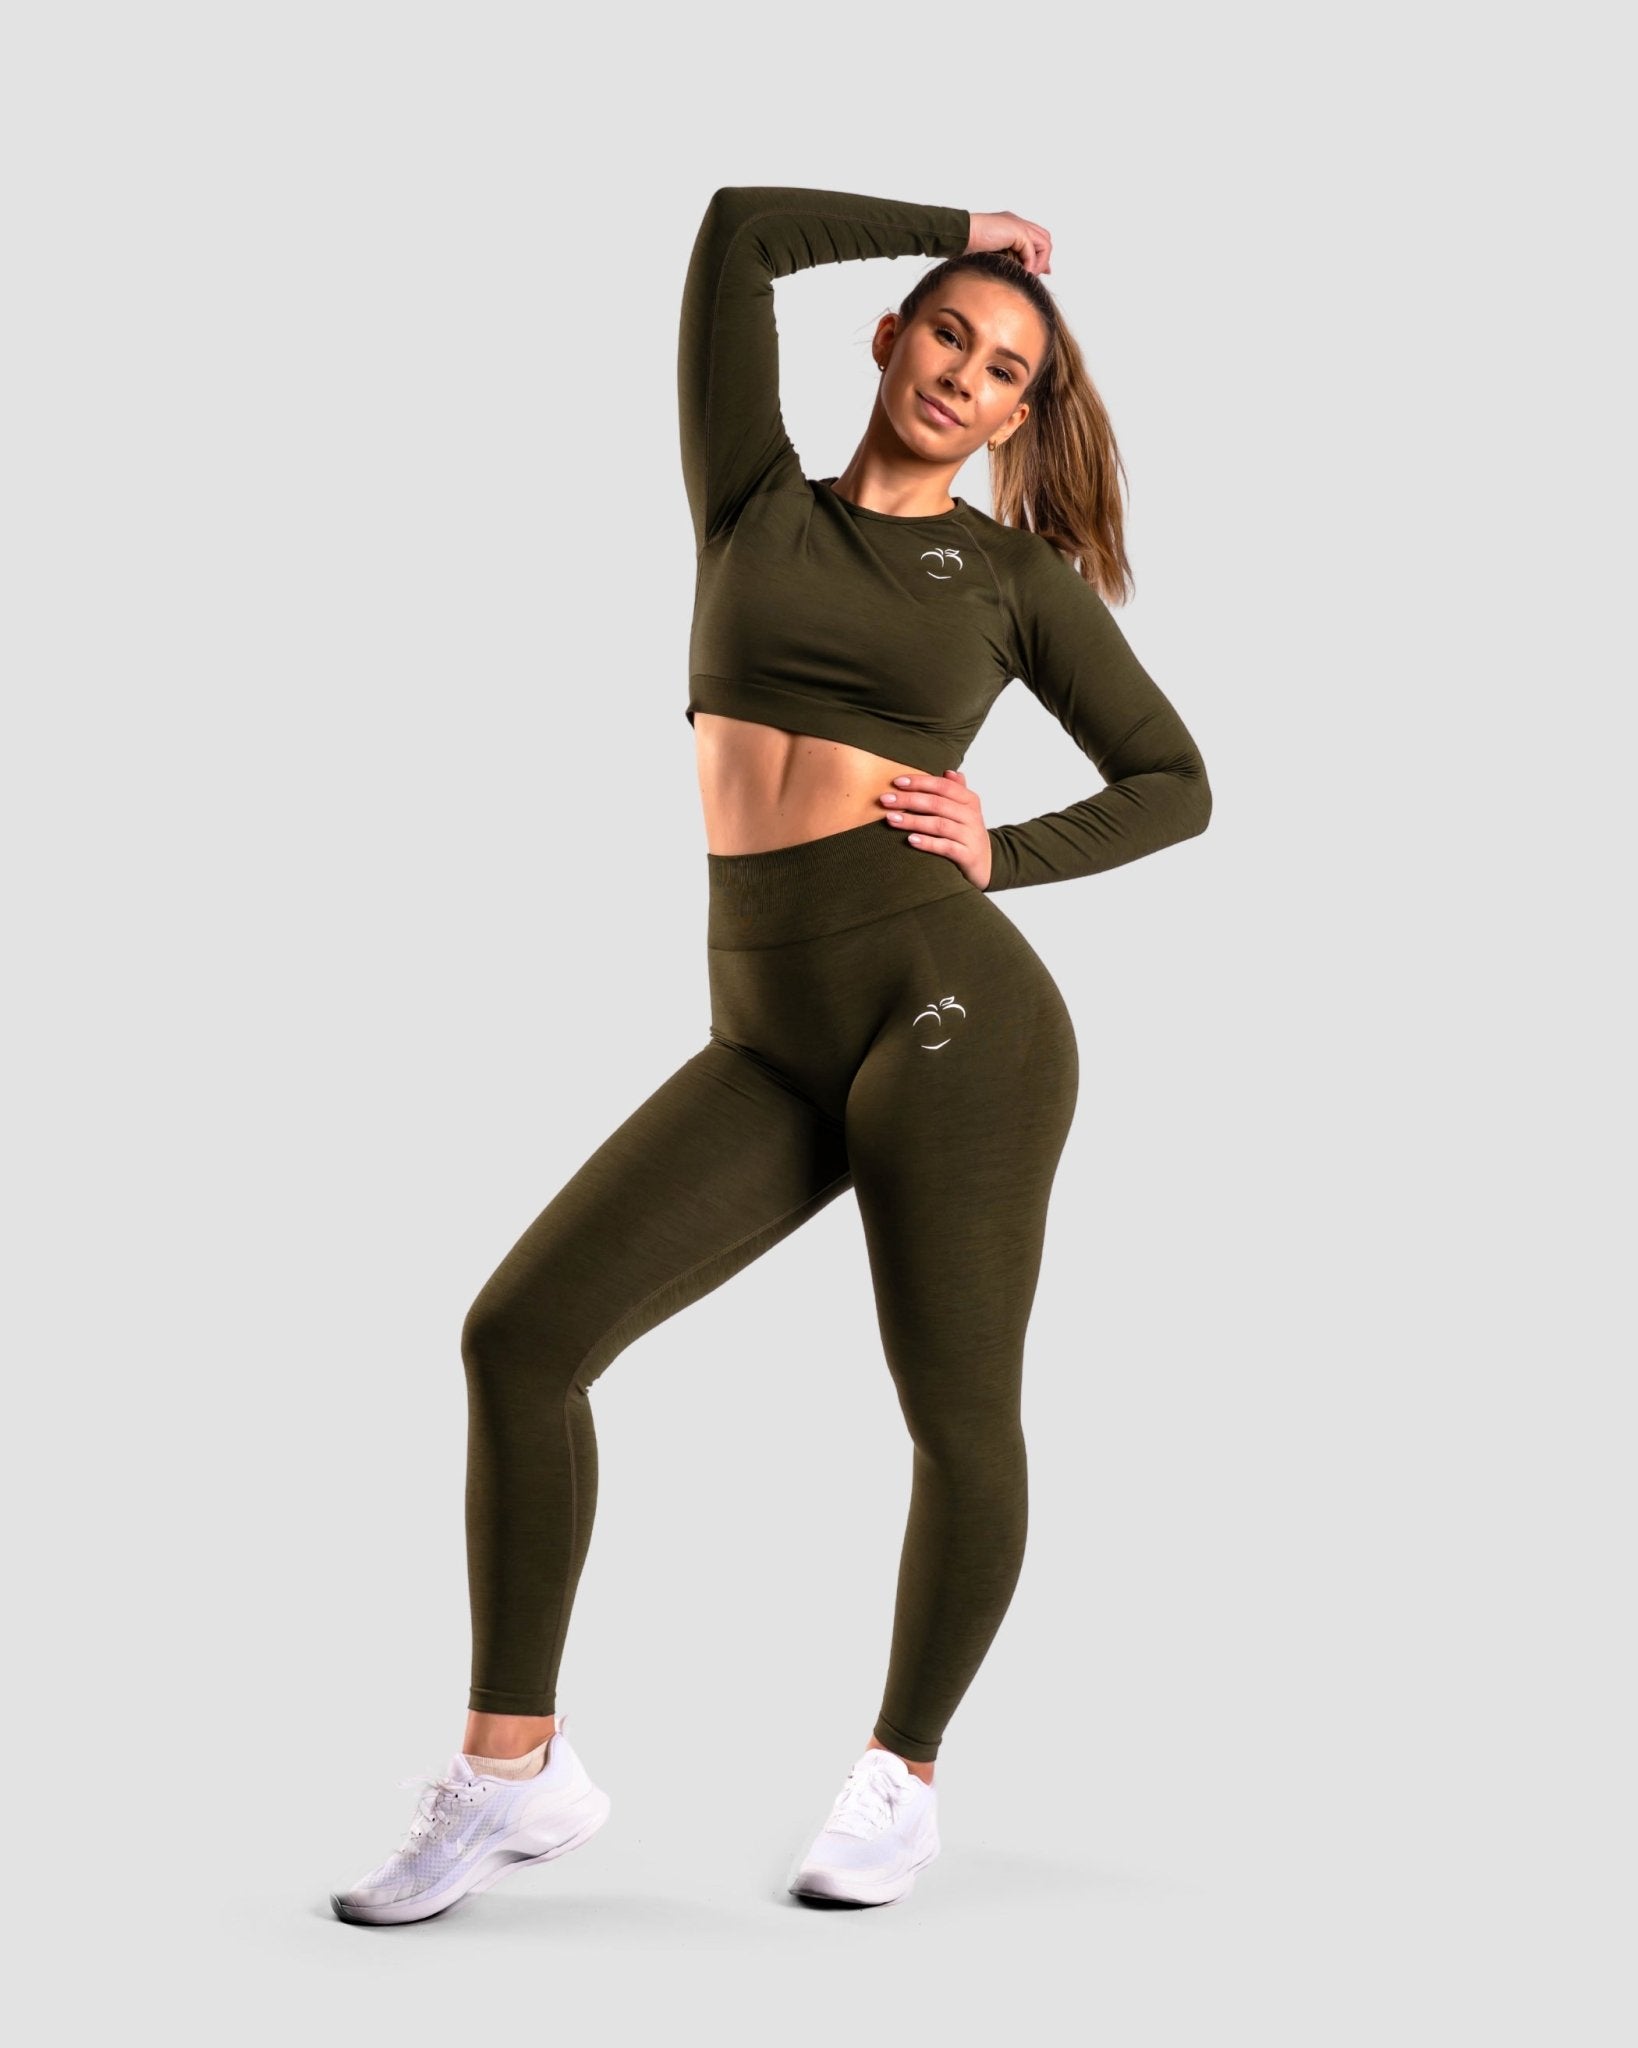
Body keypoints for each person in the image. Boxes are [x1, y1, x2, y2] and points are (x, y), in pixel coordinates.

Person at [330, 184, 1212, 1925]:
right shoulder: (749, 498)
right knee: (520, 1340)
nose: (965, 375)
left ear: (1017, 419)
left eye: (1005, 371)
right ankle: (513, 1772)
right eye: (947, 332)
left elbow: (1174, 782)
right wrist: (960, 222)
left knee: (951, 1411)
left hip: (951, 1014)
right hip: (767, 1029)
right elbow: (735, 233)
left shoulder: (1010, 577)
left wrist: (1001, 850)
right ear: (886, 339)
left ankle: (901, 1776)